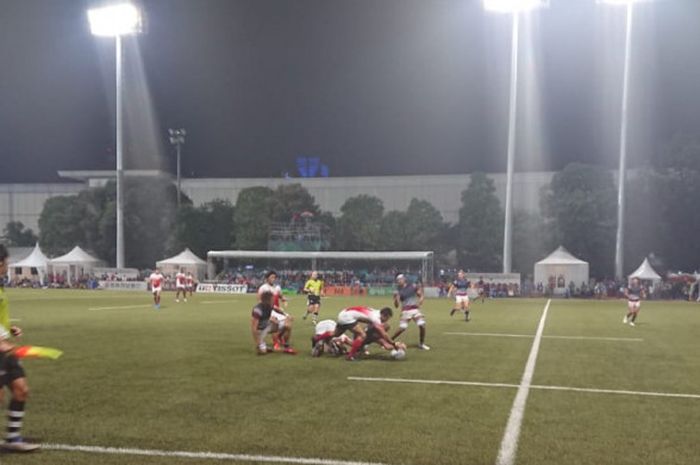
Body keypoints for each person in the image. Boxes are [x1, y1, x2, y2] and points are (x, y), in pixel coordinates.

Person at [0, 244, 40, 451]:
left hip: (6, 350)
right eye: (6, 263)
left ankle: (13, 439)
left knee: (21, 390)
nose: (7, 266)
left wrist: (8, 329)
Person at [333, 306, 398, 361]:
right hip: (348, 318)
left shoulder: (376, 314)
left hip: (345, 314)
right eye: (387, 318)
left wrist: (395, 346)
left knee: (335, 334)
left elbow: (386, 344)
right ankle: (349, 352)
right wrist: (394, 344)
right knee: (361, 337)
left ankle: (327, 338)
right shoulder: (376, 324)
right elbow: (385, 339)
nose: (387, 320)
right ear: (384, 315)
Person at [392, 274, 430, 350]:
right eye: (398, 280)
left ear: (404, 279)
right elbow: (396, 305)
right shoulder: (398, 290)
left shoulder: (412, 286)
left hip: (415, 310)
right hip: (406, 310)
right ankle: (389, 340)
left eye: (400, 279)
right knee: (402, 328)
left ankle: (421, 344)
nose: (399, 281)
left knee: (422, 325)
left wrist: (420, 301)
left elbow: (420, 295)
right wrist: (396, 298)